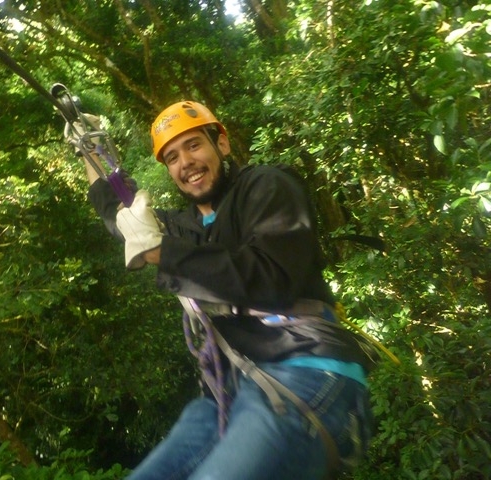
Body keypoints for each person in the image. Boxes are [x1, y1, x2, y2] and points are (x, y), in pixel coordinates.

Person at [81, 101, 377, 479]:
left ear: (221, 144)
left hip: (307, 369)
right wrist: (87, 149)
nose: (184, 162)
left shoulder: (267, 186)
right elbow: (117, 213)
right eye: (172, 157)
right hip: (228, 396)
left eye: (193, 146)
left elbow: (273, 278)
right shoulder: (186, 228)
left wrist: (161, 251)